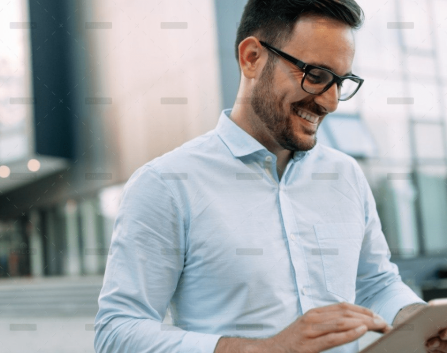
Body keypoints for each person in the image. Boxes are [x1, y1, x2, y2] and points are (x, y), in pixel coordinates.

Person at [94, 1, 446, 352]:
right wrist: (263, 349)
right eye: (316, 75)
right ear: (251, 58)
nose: (332, 102)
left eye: (341, 82)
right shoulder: (166, 184)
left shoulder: (346, 175)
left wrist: (422, 320)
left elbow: (376, 282)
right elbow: (118, 332)